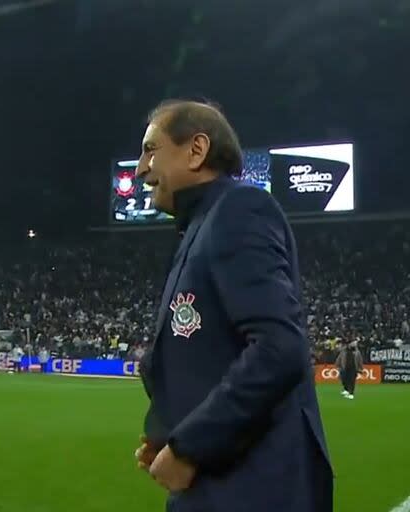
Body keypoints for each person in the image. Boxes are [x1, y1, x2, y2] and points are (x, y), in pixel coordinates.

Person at [133, 100, 333, 511]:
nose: (140, 168)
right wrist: (169, 433)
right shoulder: (201, 225)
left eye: (151, 149)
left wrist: (190, 447)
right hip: (223, 481)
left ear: (196, 150)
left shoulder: (239, 210)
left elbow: (278, 348)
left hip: (252, 488)